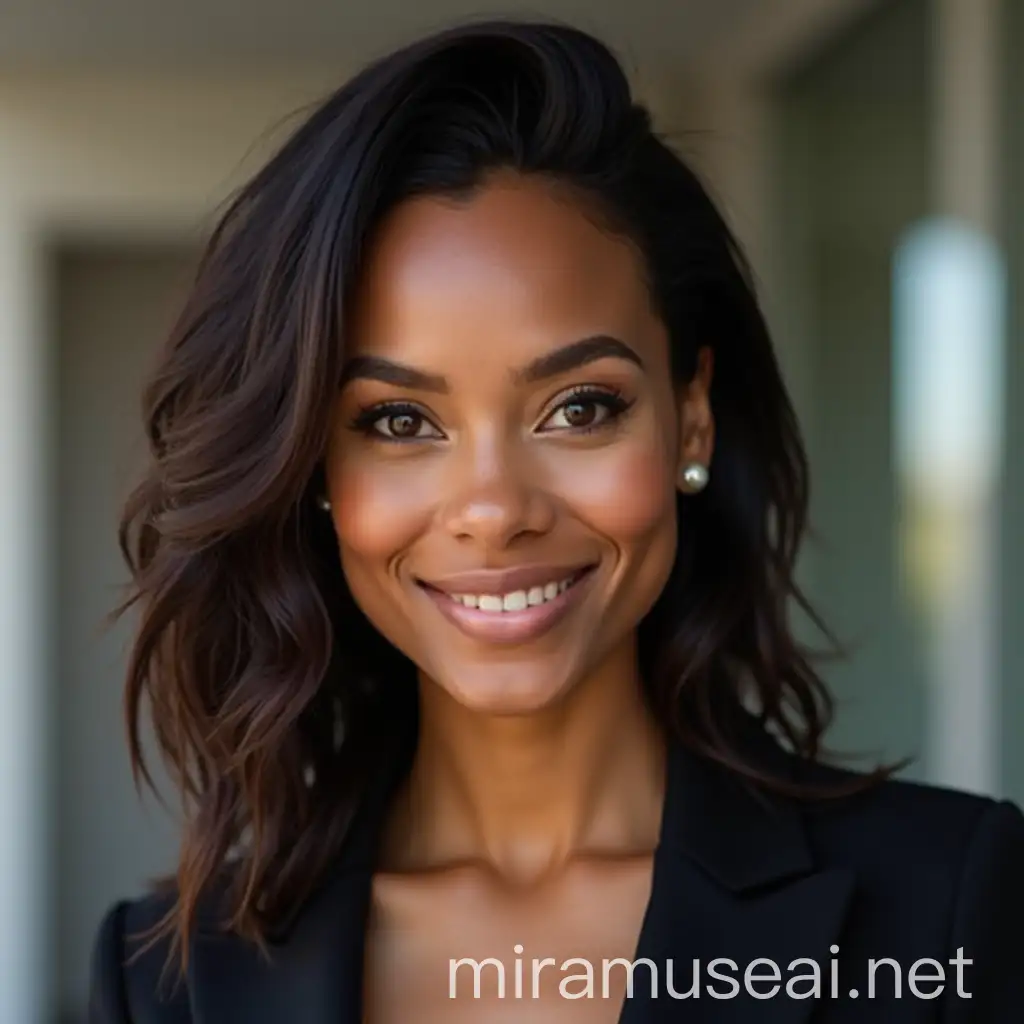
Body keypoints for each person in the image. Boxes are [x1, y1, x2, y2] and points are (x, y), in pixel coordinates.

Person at [87, 19, 1023, 1024]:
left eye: (579, 406)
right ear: (317, 467)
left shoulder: (941, 912)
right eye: (397, 421)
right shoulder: (171, 983)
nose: (493, 510)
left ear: (690, 415)